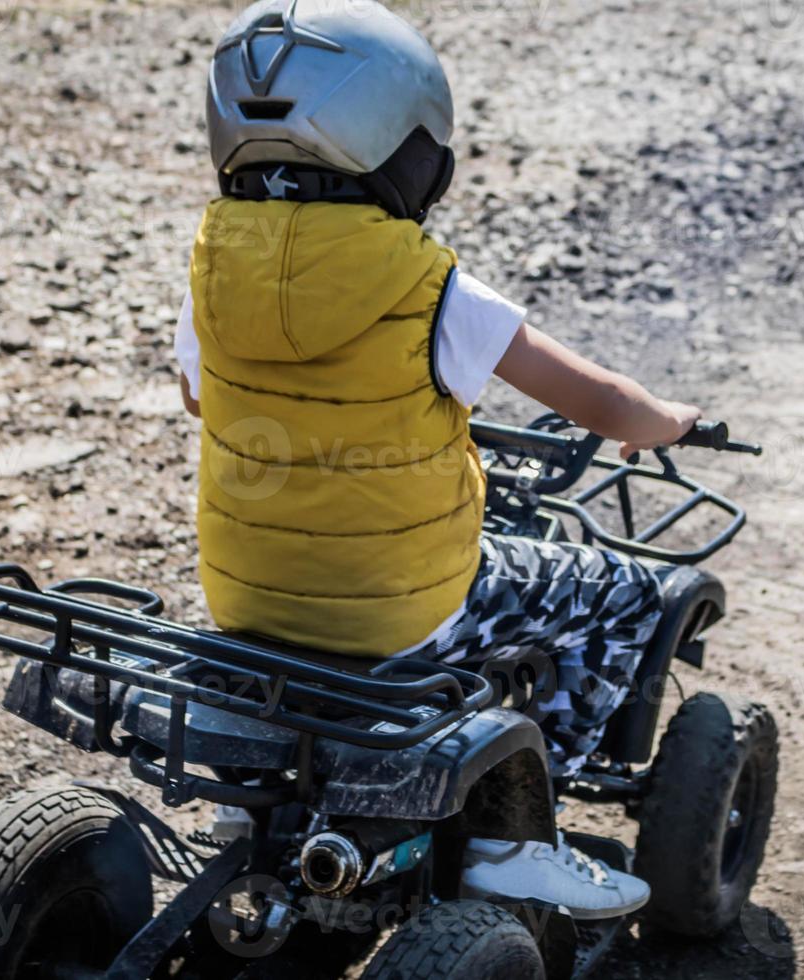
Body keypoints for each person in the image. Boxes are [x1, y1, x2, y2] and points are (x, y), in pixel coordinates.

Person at [177, 0, 700, 919]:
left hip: (247, 597)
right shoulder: (430, 284)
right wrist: (667, 420)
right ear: (410, 152)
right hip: (405, 612)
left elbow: (198, 393)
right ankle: (514, 836)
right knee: (624, 594)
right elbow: (602, 403)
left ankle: (256, 810)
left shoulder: (211, 268)